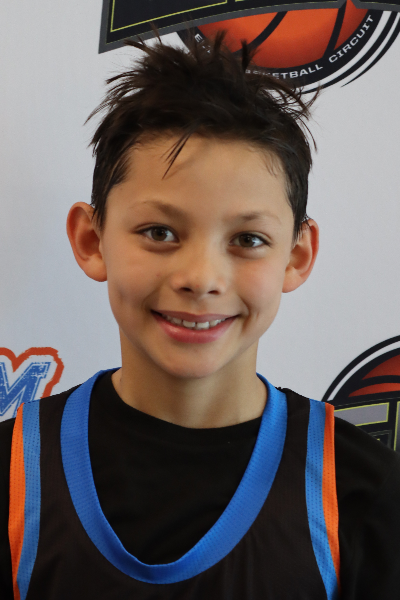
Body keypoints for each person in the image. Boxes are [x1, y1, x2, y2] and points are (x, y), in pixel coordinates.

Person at [1, 32, 400, 600]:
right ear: (92, 241)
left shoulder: (363, 493)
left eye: (248, 239)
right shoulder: (15, 473)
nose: (202, 277)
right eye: (159, 232)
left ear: (296, 256)